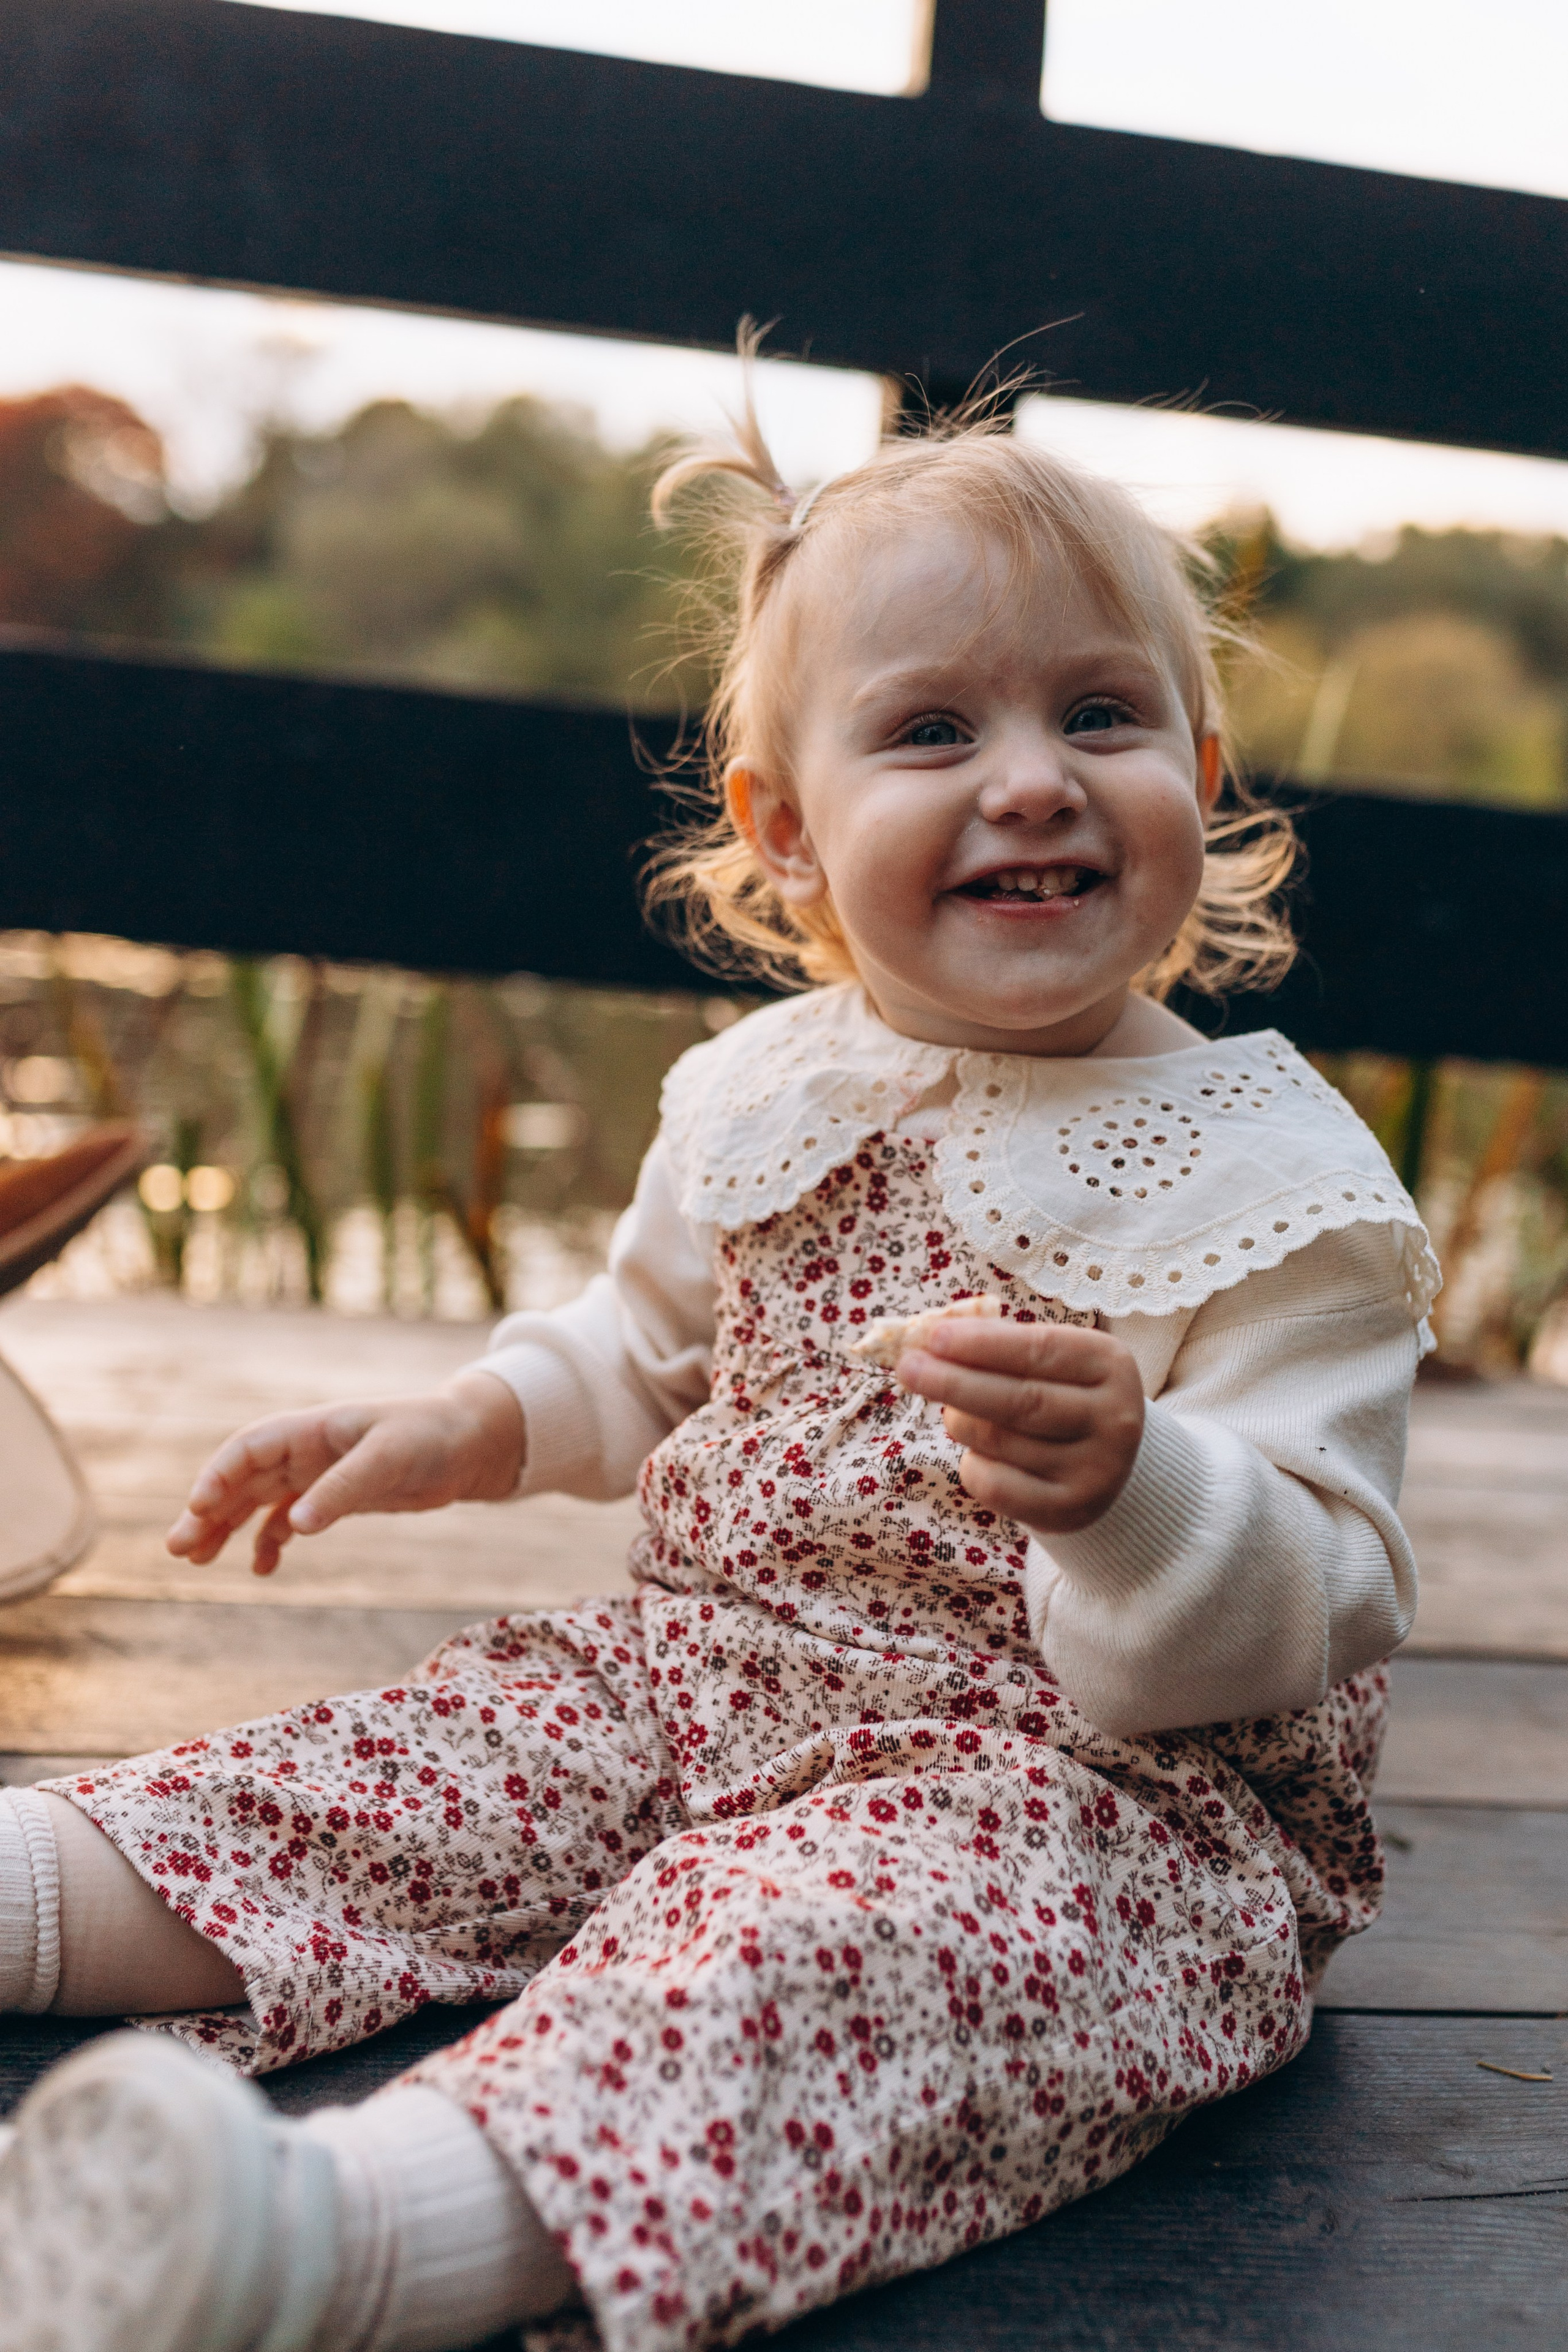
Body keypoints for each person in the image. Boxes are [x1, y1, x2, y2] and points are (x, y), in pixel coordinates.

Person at [0, 399, 1436, 2352]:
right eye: (934, 732)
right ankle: (28, 1890)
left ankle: (342, 2240)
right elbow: (648, 1348)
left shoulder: (1276, 1184)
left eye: (1100, 719)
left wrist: (1137, 1490)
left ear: (1195, 770)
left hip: (1090, 1804)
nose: (1031, 784)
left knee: (802, 1967)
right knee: (421, 1765)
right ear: (788, 826)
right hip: (715, 1677)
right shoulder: (769, 1092)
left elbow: (1334, 1580)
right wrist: (467, 1424)